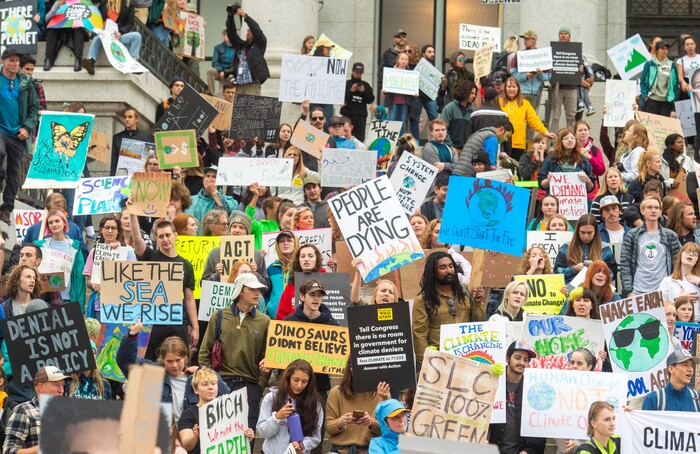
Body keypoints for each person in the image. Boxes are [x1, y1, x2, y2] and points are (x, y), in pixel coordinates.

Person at [117, 320, 229, 422]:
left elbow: (226, 395)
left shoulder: (197, 377)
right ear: (162, 360)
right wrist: (132, 336)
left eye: (178, 360)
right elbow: (126, 361)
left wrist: (203, 371)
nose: (174, 365)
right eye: (169, 361)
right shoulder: (153, 373)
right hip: (163, 434)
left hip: (192, 434)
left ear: (185, 358)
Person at [199, 273, 270, 433]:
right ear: (240, 291)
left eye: (259, 289)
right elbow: (204, 352)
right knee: (220, 435)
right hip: (223, 383)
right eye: (252, 289)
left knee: (247, 437)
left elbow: (268, 358)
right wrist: (213, 381)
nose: (257, 293)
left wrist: (259, 386)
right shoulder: (219, 316)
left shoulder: (265, 321)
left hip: (251, 386)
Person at [128, 205, 199, 359]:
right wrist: (133, 213)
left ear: (175, 235)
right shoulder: (150, 257)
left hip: (177, 322)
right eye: (161, 237)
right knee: (152, 365)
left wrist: (195, 327)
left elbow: (189, 298)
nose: (165, 239)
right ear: (156, 239)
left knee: (178, 363)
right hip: (154, 323)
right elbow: (136, 238)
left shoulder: (186, 264)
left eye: (168, 235)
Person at [412, 251, 484, 367]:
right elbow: (419, 335)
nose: (449, 271)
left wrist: (478, 303)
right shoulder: (422, 300)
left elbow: (479, 323)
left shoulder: (467, 291)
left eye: (451, 266)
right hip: (439, 362)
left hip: (467, 358)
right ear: (433, 272)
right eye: (442, 267)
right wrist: (425, 365)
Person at [0, 48, 39, 225]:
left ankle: (6, 209)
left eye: (17, 61)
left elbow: (34, 110)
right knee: (0, 154)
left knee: (14, 174)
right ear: (3, 62)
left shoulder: (26, 83)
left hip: (18, 134)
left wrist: (27, 128)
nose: (15, 64)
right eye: (12, 60)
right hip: (1, 130)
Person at [178, 367, 255, 454]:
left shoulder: (230, 410)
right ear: (196, 390)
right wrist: (196, 436)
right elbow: (186, 446)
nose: (210, 387)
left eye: (213, 384)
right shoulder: (188, 414)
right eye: (205, 384)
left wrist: (246, 436)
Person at [488, 340, 545, 453]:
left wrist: (528, 451)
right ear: (507, 358)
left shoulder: (534, 391)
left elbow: (540, 426)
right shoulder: (493, 381)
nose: (522, 363)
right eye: (517, 358)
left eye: (526, 360)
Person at [257, 359, 323, 454]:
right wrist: (276, 417)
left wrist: (302, 445)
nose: (299, 385)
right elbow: (263, 432)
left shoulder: (315, 405)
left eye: (304, 381)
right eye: (296, 380)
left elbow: (315, 437)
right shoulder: (271, 398)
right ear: (288, 377)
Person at [620, 196, 681, 297]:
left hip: (663, 292)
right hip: (638, 291)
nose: (653, 210)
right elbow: (625, 264)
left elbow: (677, 263)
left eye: (657, 208)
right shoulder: (632, 235)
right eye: (649, 207)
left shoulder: (670, 236)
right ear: (642, 211)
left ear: (661, 211)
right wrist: (629, 291)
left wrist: (673, 287)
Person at [82, 214, 137, 320]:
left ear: (118, 231)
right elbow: (88, 280)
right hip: (100, 306)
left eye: (113, 228)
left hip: (122, 305)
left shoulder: (128, 251)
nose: (110, 231)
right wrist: (93, 284)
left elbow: (134, 277)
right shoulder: (94, 251)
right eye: (107, 228)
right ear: (101, 230)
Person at [2, 366, 68, 454]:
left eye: (62, 385)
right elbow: (8, 451)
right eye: (56, 385)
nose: (61, 390)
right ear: (41, 387)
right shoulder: (24, 410)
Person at [326, 361, 386, 454]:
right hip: (340, 450)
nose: (359, 370)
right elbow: (328, 427)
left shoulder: (380, 395)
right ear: (349, 368)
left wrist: (371, 422)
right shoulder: (336, 392)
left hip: (370, 450)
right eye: (354, 366)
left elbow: (387, 430)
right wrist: (341, 421)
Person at [201, 210, 270, 290]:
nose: (236, 230)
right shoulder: (215, 253)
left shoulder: (256, 255)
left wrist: (255, 274)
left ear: (247, 232)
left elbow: (266, 288)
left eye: (241, 227)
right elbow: (203, 285)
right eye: (234, 226)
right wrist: (217, 275)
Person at [33, 210, 85, 307]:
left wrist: (80, 306)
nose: (54, 224)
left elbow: (79, 277)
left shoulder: (75, 247)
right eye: (50, 222)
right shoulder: (40, 246)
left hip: (69, 298)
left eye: (57, 221)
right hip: (46, 299)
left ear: (64, 223)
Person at [499, 76, 554, 161]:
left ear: (518, 89)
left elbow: (534, 120)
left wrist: (545, 132)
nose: (511, 89)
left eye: (514, 87)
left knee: (516, 171)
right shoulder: (499, 103)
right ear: (505, 88)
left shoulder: (525, 104)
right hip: (502, 142)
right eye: (509, 87)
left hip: (518, 143)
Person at [82, 0, 142, 75]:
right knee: (97, 38)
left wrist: (121, 32)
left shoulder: (129, 3)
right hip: (105, 34)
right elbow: (99, 19)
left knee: (137, 36)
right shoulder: (104, 2)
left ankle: (134, 62)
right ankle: (91, 61)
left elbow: (129, 23)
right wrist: (97, 31)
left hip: (119, 35)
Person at [555, 214, 617, 285]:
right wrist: (574, 269)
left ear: (595, 232)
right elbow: (557, 273)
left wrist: (597, 270)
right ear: (577, 231)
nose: (586, 236)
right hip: (571, 291)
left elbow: (612, 274)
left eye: (589, 233)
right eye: (582, 232)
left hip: (597, 291)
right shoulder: (566, 247)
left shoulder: (604, 248)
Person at [276, 244, 326, 320]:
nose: (306, 259)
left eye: (310, 256)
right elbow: (281, 315)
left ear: (317, 259)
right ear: (298, 260)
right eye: (303, 256)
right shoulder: (291, 285)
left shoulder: (327, 281)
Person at [226, 6, 269, 95]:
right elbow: (231, 34)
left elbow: (257, 31)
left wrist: (245, 16)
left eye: (250, 31)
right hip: (239, 84)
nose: (248, 32)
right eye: (247, 30)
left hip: (252, 84)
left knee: (251, 108)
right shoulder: (241, 45)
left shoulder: (259, 45)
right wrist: (230, 16)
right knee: (239, 109)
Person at [550, 26, 581, 131]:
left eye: (565, 33)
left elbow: (580, 64)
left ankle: (570, 137)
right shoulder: (553, 50)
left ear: (569, 36)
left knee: (571, 115)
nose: (563, 35)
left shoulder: (575, 50)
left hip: (571, 87)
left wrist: (580, 68)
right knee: (555, 115)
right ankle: (554, 139)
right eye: (561, 33)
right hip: (558, 87)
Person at [512, 30, 551, 109]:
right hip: (521, 92)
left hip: (535, 93)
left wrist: (540, 74)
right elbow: (513, 74)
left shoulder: (542, 55)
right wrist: (525, 76)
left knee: (532, 118)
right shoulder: (519, 55)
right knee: (521, 117)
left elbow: (549, 76)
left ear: (534, 40)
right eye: (524, 39)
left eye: (527, 39)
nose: (525, 41)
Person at [640, 40, 679, 116]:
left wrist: (674, 98)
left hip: (667, 101)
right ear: (657, 50)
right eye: (662, 48)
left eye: (666, 49)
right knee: (652, 125)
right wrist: (645, 96)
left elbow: (675, 83)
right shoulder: (649, 64)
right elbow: (643, 81)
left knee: (664, 126)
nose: (665, 51)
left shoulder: (672, 65)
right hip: (652, 100)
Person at [110, 108, 153, 176]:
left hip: (141, 177)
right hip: (122, 179)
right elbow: (114, 162)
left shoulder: (146, 137)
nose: (127, 119)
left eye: (130, 117)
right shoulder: (117, 138)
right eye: (125, 117)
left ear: (137, 119)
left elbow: (150, 160)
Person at [340, 63, 375, 142]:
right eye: (356, 72)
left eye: (360, 73)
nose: (358, 75)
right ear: (352, 72)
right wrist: (351, 91)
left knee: (360, 139)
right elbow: (341, 99)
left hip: (360, 116)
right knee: (345, 136)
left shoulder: (365, 85)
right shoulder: (347, 84)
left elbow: (370, 100)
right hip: (347, 115)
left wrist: (363, 91)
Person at [440, 81, 478, 151]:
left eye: (475, 94)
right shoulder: (449, 108)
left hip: (467, 151)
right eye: (472, 93)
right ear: (465, 92)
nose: (474, 96)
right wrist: (451, 147)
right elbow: (442, 129)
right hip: (450, 150)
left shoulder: (473, 111)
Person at [384, 51, 413, 135]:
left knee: (403, 121)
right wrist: (385, 90)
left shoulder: (410, 74)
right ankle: (391, 140)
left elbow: (411, 86)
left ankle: (401, 140)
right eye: (402, 59)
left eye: (406, 59)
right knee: (392, 120)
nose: (404, 61)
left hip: (404, 101)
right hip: (393, 101)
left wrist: (414, 93)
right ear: (398, 60)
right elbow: (386, 84)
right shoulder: (391, 71)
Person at [207, 29, 235, 95]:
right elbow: (214, 62)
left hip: (232, 72)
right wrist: (221, 70)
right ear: (223, 36)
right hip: (221, 71)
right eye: (226, 35)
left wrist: (228, 71)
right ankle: (211, 94)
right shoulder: (218, 47)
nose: (229, 37)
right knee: (210, 71)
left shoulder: (237, 48)